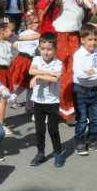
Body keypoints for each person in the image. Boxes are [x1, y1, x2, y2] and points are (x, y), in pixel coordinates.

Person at [28, 33, 66, 167]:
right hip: (38, 102)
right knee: (39, 130)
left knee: (53, 130)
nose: (46, 52)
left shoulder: (58, 63)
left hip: (52, 102)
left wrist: (39, 76)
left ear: (55, 49)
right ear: (39, 47)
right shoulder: (37, 60)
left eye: (49, 49)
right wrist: (48, 73)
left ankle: (58, 153)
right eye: (43, 48)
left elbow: (55, 79)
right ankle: (41, 153)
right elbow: (31, 71)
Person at [72, 22, 97, 155]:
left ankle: (92, 141)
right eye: (89, 40)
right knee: (81, 120)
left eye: (95, 39)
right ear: (82, 40)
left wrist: (93, 72)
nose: (93, 43)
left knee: (95, 119)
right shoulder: (78, 55)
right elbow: (80, 75)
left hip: (93, 90)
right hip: (79, 90)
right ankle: (79, 143)